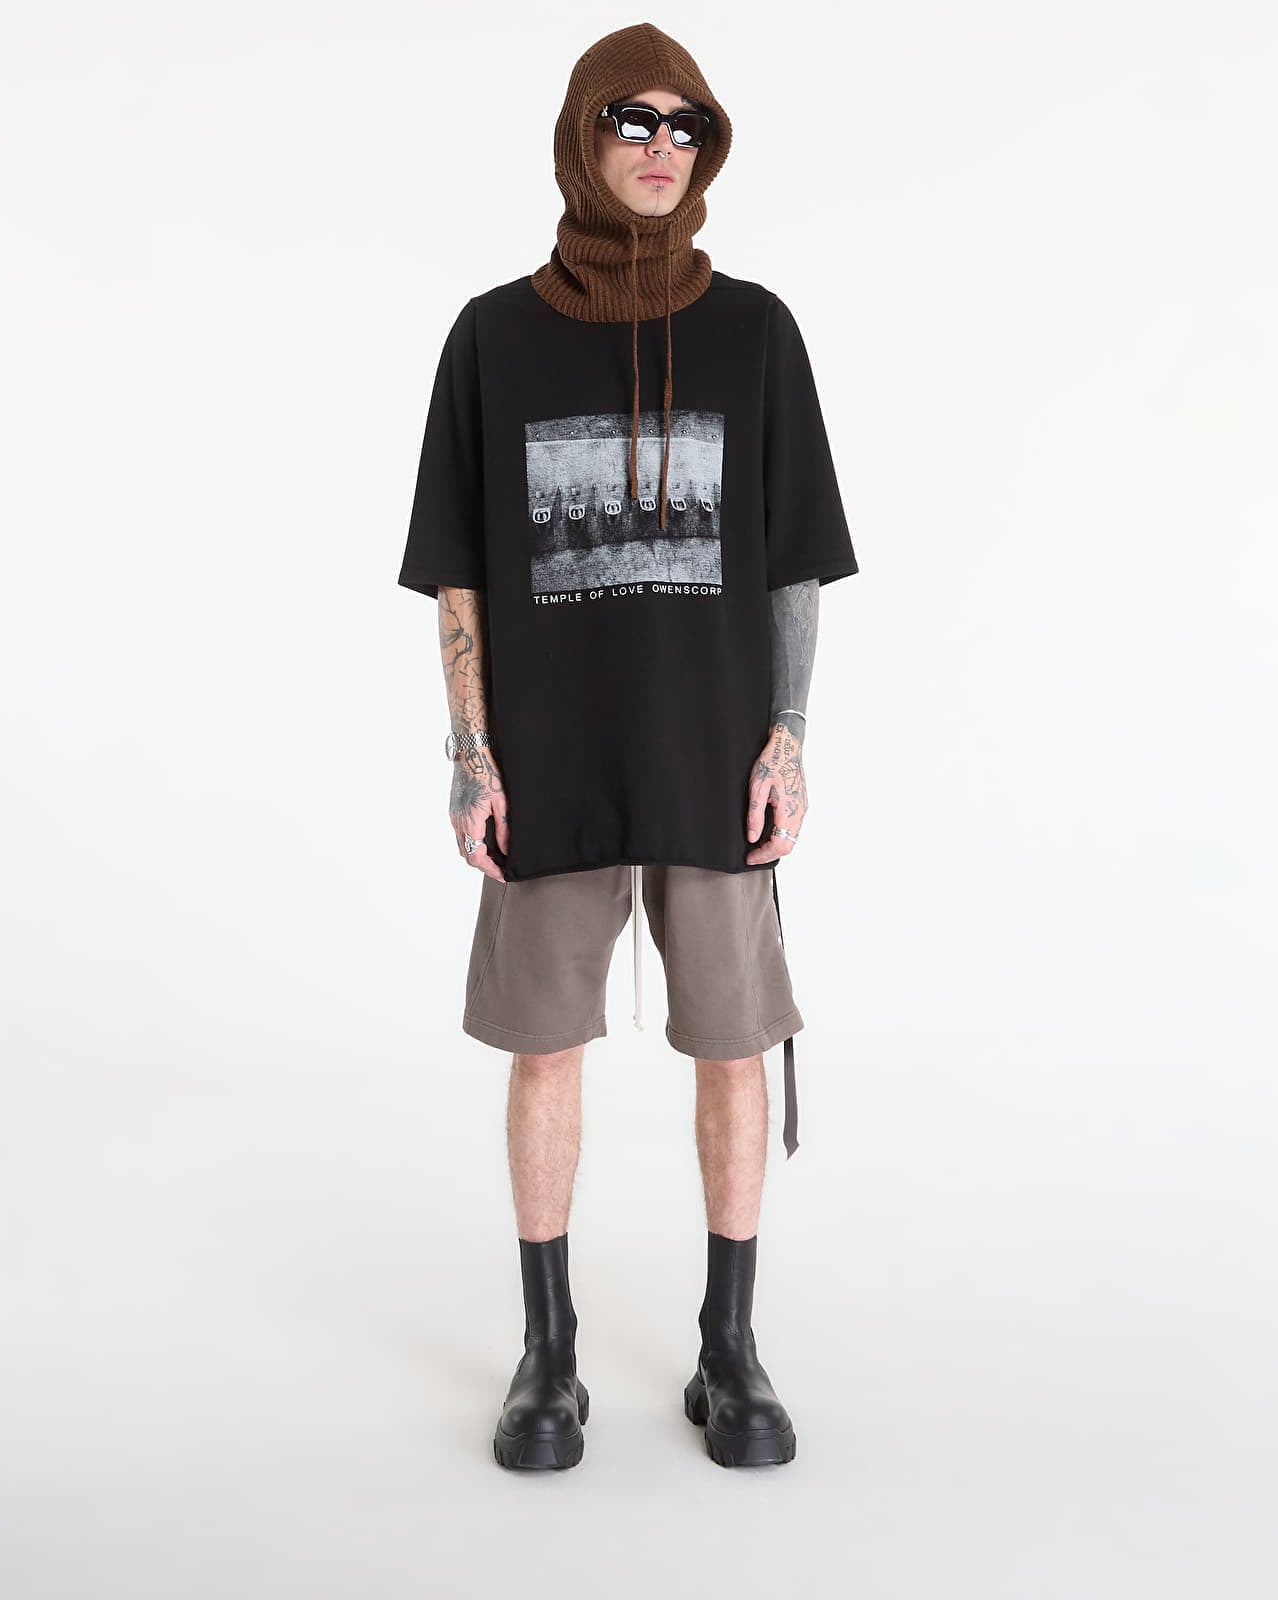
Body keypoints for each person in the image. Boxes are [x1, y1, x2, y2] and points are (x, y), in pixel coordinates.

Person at [397, 23, 859, 1471]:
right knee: (545, 1047)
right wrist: (471, 753)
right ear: (581, 139)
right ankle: (549, 1354)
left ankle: (731, 1347)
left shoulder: (756, 332)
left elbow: (793, 562)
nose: (661, 148)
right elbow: (460, 570)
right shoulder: (493, 336)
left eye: (686, 126)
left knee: (733, 1046)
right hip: (548, 760)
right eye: (632, 121)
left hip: (714, 755)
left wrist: (789, 737)